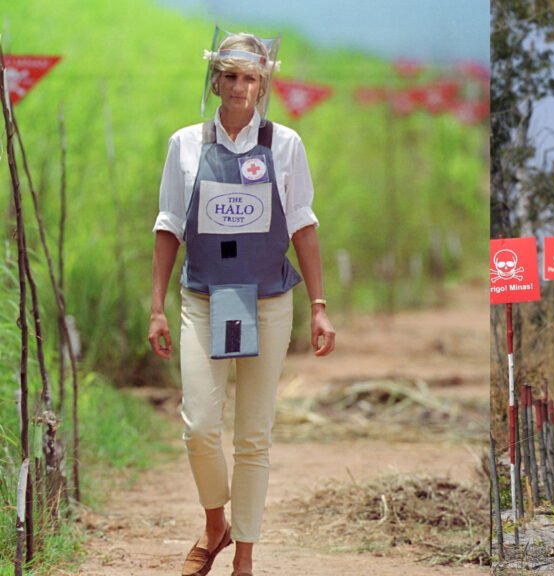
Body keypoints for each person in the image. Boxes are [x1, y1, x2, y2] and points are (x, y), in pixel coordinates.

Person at [147, 30, 336, 576]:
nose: (238, 87)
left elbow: (303, 226)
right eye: (229, 76)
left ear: (263, 84)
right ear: (215, 81)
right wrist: (157, 307)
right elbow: (168, 225)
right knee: (200, 425)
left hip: (268, 301)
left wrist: (319, 305)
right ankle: (215, 524)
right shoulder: (185, 144)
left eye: (249, 77)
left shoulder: (286, 145)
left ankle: (245, 557)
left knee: (254, 434)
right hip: (204, 299)